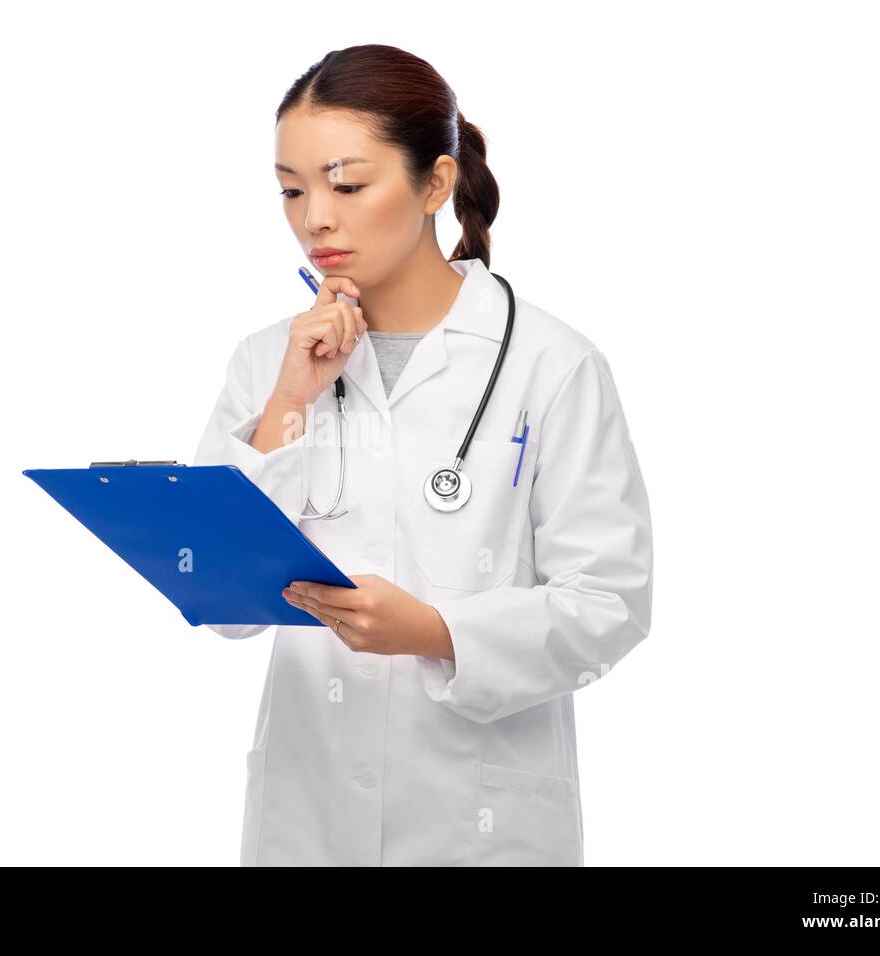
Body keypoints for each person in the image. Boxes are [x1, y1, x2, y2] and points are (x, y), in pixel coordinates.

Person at [193, 44, 653, 866]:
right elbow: (222, 603)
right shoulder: (269, 362)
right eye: (291, 191)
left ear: (435, 184)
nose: (315, 219)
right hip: (308, 818)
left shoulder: (551, 362)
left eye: (347, 183)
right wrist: (291, 400)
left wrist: (438, 632)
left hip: (484, 825)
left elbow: (610, 603)